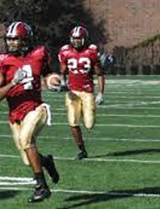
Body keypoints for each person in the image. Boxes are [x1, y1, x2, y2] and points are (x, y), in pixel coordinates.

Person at [0, 21, 59, 203]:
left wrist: (53, 81)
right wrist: (13, 83)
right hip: (15, 114)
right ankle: (46, 161)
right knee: (29, 159)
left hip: (36, 108)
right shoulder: (1, 61)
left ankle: (42, 187)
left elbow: (48, 74)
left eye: (15, 39)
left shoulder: (38, 54)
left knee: (26, 140)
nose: (11, 43)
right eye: (9, 39)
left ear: (25, 40)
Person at [58, 26, 105, 160]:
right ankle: (82, 150)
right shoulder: (65, 52)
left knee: (89, 125)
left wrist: (101, 93)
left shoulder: (91, 52)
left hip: (87, 91)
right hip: (72, 91)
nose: (76, 41)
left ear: (84, 39)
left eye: (79, 38)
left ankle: (85, 110)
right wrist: (62, 83)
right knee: (73, 122)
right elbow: (62, 72)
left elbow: (100, 74)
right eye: (74, 38)